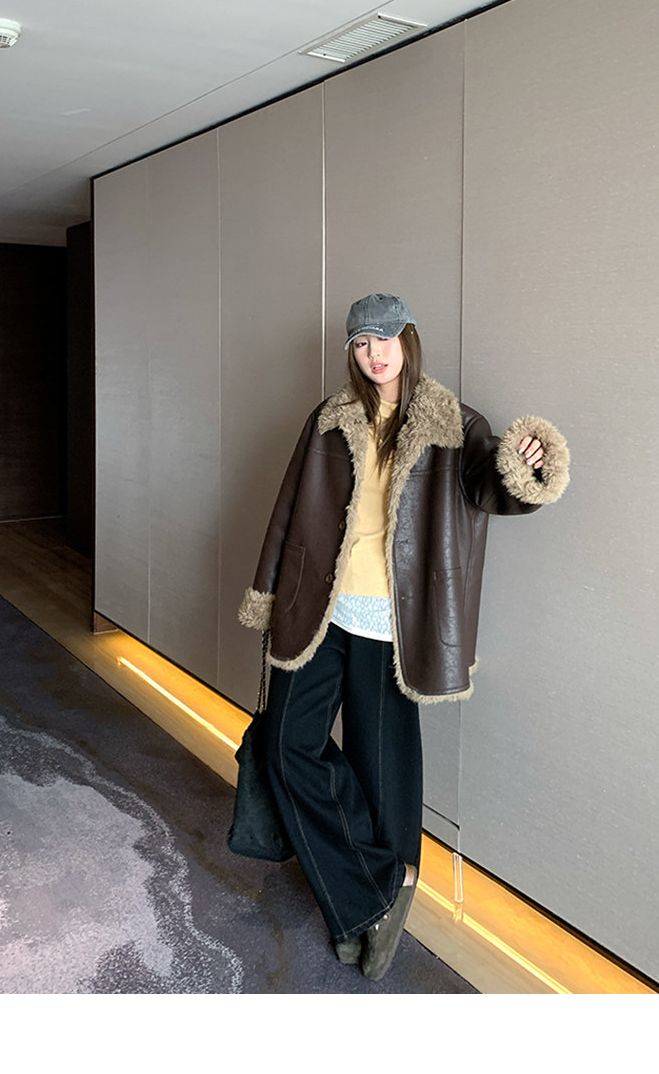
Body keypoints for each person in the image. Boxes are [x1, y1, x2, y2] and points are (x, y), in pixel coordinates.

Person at [238, 292, 570, 981]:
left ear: (408, 340)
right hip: (318, 611)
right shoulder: (329, 420)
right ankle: (374, 892)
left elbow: (497, 489)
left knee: (381, 769)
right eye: (361, 343)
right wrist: (266, 593)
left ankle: (366, 908)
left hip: (391, 626)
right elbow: (287, 511)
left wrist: (530, 464)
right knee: (286, 747)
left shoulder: (454, 425)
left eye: (385, 338)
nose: (374, 353)